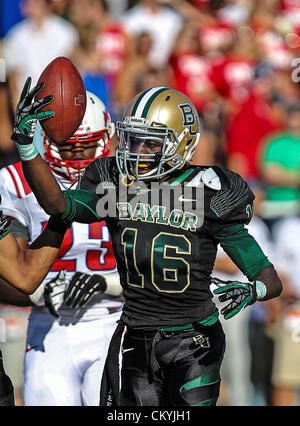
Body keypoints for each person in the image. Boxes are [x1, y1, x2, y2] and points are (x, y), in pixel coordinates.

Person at [12, 82, 282, 406]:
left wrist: (254, 291)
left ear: (182, 144)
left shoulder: (210, 190)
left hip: (194, 339)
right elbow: (58, 205)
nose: (137, 151)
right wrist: (28, 147)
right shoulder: (115, 184)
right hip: (136, 335)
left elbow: (267, 276)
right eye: (133, 139)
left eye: (150, 143)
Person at [1, 87, 123, 406]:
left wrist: (109, 284)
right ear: (48, 143)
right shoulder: (14, 181)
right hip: (50, 325)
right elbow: (7, 270)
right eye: (68, 148)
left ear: (107, 137)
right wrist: (42, 290)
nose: (78, 156)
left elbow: (158, 270)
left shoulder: (130, 183)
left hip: (117, 320)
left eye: (88, 146)